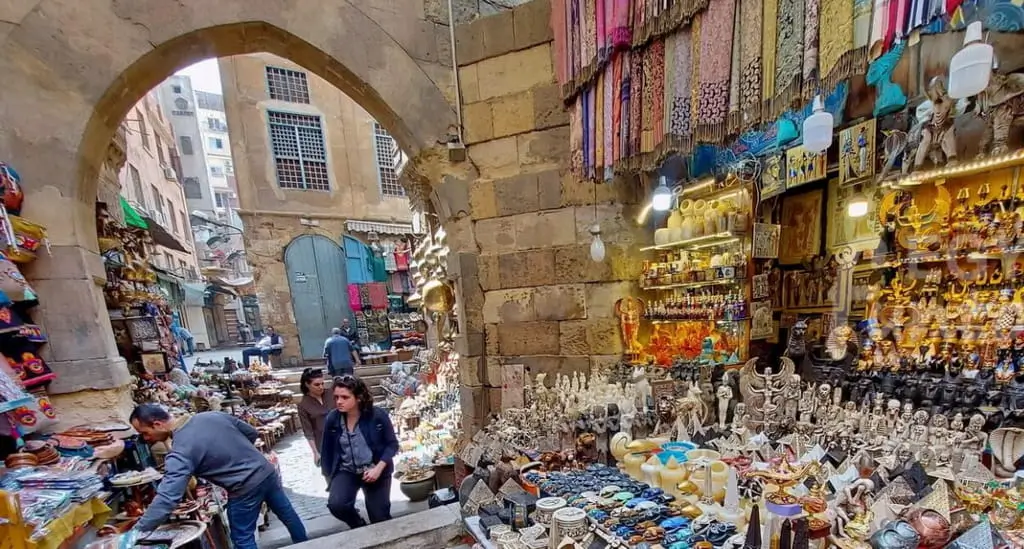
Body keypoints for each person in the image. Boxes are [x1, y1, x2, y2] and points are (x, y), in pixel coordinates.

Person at [129, 404, 308, 549]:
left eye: (145, 433)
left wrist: (138, 530)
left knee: (243, 538)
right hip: (265, 471)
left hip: (244, 487)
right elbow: (251, 433)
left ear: (158, 424)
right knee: (287, 514)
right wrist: (239, 454)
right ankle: (306, 544)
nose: (146, 439)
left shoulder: (181, 450)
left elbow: (168, 497)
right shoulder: (210, 416)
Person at [321, 375, 398, 529]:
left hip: (375, 470)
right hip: (347, 470)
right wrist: (330, 479)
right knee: (337, 505)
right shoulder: (333, 419)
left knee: (379, 517)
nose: (339, 401)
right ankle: (358, 524)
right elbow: (327, 451)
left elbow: (392, 445)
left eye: (345, 397)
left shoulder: (377, 416)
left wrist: (378, 468)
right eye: (336, 397)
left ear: (358, 398)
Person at [297, 368, 330, 466]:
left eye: (322, 384)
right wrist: (315, 452)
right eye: (317, 385)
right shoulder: (303, 405)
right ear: (307, 384)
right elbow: (308, 431)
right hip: (323, 443)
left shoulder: (331, 394)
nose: (321, 387)